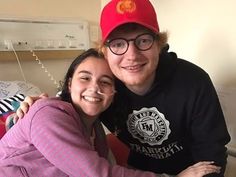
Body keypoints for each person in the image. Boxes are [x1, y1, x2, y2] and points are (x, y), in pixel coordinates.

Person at [15, 0, 230, 176]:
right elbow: (72, 102)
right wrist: (36, 105)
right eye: (118, 44)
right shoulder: (106, 85)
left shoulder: (193, 82)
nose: (132, 55)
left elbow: (211, 158)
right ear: (105, 51)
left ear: (159, 44)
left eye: (143, 40)